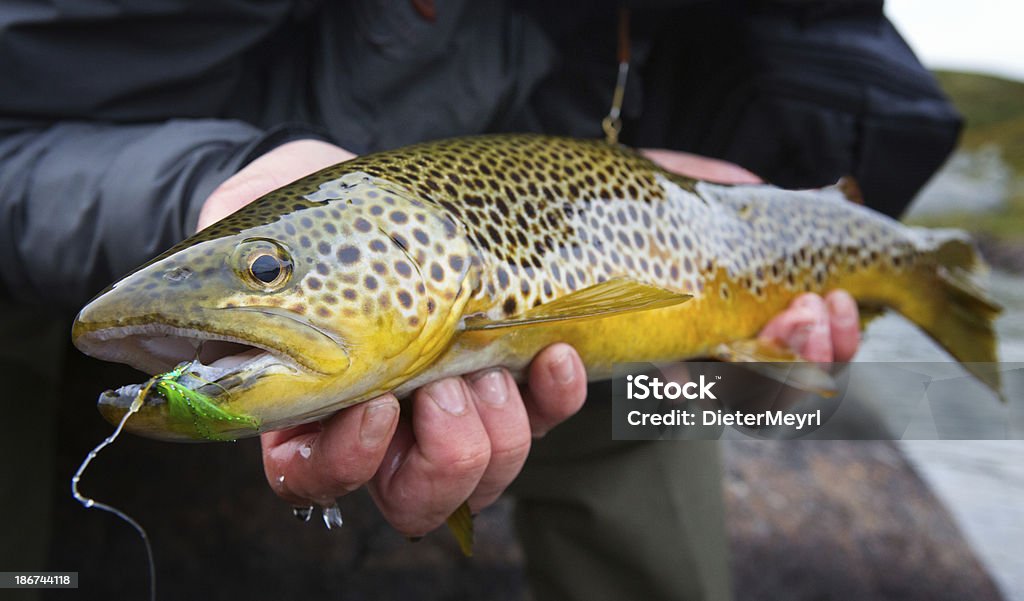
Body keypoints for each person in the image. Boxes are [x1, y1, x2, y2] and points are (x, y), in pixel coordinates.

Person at [0, 1, 959, 599]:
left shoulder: (758, 39)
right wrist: (210, 184)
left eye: (267, 275)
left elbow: (747, 379)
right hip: (118, 202)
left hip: (606, 289)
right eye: (270, 275)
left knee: (652, 412)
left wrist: (765, 386)